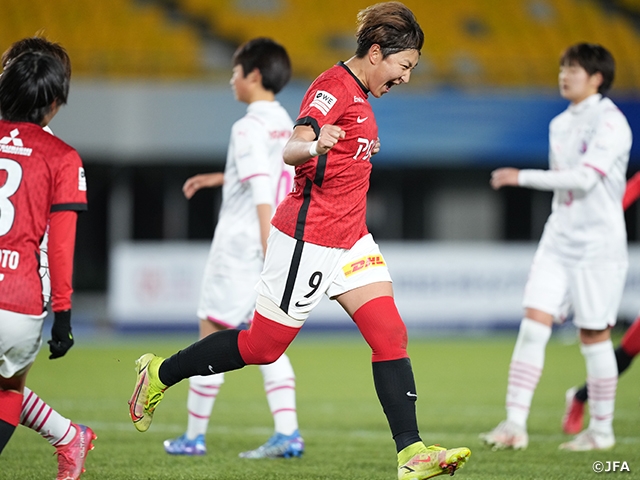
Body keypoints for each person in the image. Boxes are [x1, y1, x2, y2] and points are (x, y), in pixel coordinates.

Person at [129, 3, 471, 478]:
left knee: (390, 334)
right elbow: (291, 148)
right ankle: (159, 374)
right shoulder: (332, 88)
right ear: (376, 54)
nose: (406, 78)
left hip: (351, 239)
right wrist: (314, 145)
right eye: (404, 66)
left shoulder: (363, 94)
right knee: (263, 348)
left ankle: (411, 453)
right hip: (309, 239)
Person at [481, 43, 631, 451]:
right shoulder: (560, 123)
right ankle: (514, 424)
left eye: (574, 69)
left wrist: (522, 177)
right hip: (558, 238)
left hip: (598, 246)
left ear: (597, 78)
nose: (564, 75)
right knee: (532, 325)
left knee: (594, 336)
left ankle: (601, 432)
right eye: (563, 67)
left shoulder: (612, 123)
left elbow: (584, 180)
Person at [162, 37, 303, 459]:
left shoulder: (245, 126)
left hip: (244, 247)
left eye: (235, 72)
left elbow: (262, 190)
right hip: (271, 241)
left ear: (253, 76)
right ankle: (288, 432)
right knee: (268, 338)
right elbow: (271, 175)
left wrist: (266, 247)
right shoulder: (286, 122)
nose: (231, 80)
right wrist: (219, 178)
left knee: (211, 332)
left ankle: (193, 436)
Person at [0, 36, 97, 480]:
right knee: (7, 387)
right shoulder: (58, 151)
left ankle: (68, 436)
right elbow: (62, 244)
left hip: (22, 274)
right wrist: (62, 314)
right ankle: (68, 436)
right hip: (23, 295)